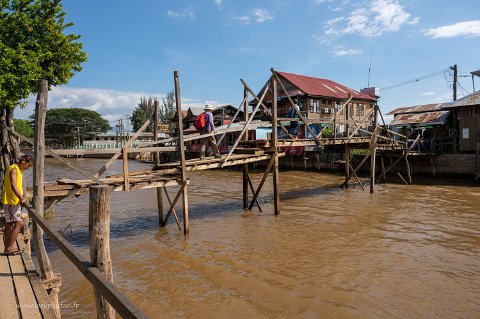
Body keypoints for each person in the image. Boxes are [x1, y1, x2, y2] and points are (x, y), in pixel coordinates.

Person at [2, 155, 33, 255]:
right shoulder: (14, 169)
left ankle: (8, 247)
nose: (28, 167)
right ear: (23, 161)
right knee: (19, 223)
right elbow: (13, 185)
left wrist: (21, 195)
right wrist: (21, 197)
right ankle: (9, 248)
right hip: (11, 201)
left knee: (9, 224)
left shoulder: (18, 169)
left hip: (12, 200)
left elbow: (17, 185)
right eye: (28, 165)